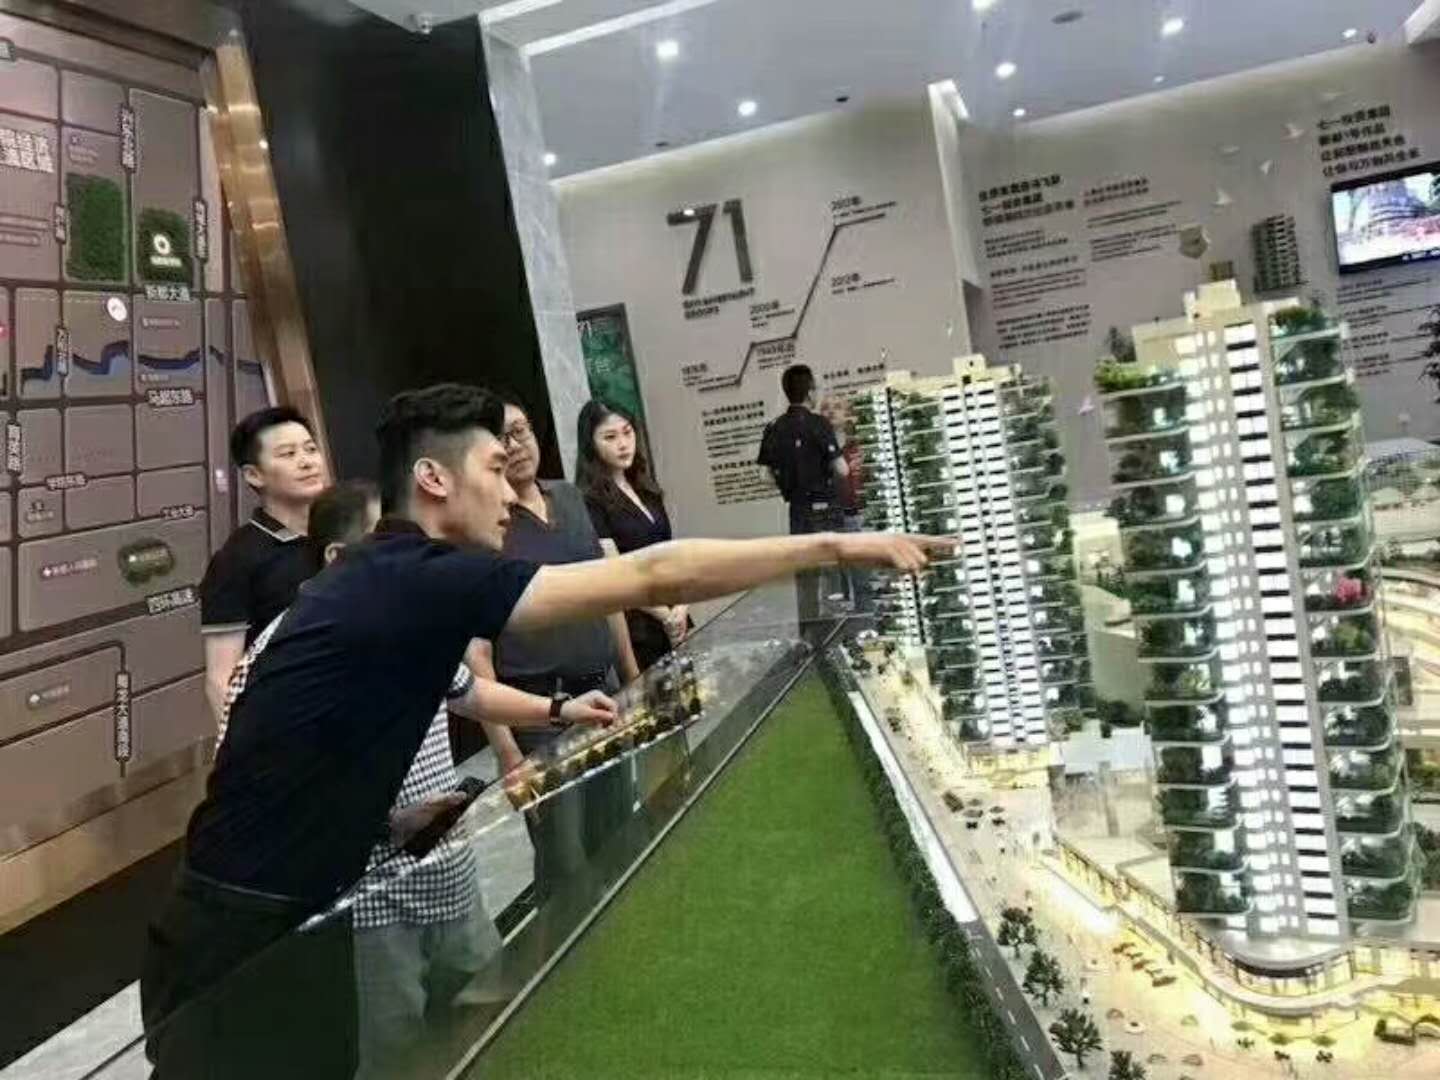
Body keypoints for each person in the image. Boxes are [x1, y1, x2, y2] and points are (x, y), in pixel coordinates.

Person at [141, 382, 938, 1077]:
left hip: (278, 913)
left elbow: (301, 741)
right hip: (242, 936)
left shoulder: (385, 579)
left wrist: (382, 821)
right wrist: (834, 545)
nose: (507, 492)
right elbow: (652, 573)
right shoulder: (409, 577)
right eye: (493, 468)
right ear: (433, 478)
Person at [212, 479, 617, 1079]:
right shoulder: (281, 661)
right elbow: (255, 803)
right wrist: (385, 824)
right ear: (339, 558)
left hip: (451, 879)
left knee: (493, 1021)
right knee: (398, 1057)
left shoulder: (406, 622)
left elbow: (469, 692)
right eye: (392, 543)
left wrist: (558, 710)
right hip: (368, 909)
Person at [475, 393, 640, 899]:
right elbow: (476, 651)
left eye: (521, 430)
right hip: (539, 719)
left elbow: (608, 594)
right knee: (565, 862)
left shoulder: (568, 497)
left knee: (619, 835)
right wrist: (506, 750)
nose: (516, 444)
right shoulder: (487, 523)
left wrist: (633, 681)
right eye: (501, 437)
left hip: (603, 698)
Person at [198, 405, 327, 724]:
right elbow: (220, 680)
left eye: (311, 449)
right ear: (254, 474)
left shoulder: (342, 532)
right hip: (289, 723)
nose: (307, 461)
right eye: (288, 454)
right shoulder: (236, 560)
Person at [574, 399, 685, 671]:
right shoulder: (590, 500)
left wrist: (681, 606)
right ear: (591, 444)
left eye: (627, 432)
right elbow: (617, 570)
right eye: (610, 437)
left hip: (676, 614)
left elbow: (672, 552)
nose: (623, 444)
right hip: (639, 626)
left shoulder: (645, 487)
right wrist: (665, 615)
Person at [757, 365, 849, 624]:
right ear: (810, 392)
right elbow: (842, 469)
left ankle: (810, 632)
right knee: (833, 576)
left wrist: (791, 481)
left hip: (797, 511)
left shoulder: (774, 427)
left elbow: (763, 476)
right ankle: (840, 631)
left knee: (806, 577)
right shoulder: (818, 424)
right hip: (825, 509)